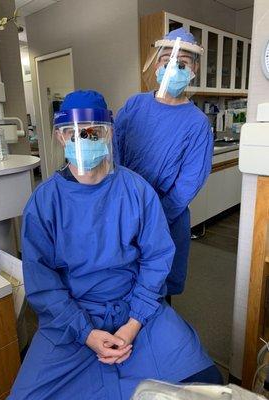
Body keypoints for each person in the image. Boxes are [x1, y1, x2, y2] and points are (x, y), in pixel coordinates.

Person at [8, 90, 221, 400]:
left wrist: (133, 324)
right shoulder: (44, 203)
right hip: (70, 320)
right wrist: (87, 333)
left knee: (205, 382)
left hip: (136, 309)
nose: (84, 139)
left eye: (93, 131)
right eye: (73, 133)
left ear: (108, 133)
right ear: (59, 137)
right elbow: (43, 284)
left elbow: (156, 259)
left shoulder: (136, 190)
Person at [113, 28, 214, 299]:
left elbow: (189, 182)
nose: (173, 67)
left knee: (156, 291)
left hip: (166, 217)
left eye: (182, 63)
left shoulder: (197, 124)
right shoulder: (135, 105)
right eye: (167, 59)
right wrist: (122, 203)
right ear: (156, 63)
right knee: (120, 284)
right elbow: (114, 152)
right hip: (123, 211)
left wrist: (153, 217)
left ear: (194, 70)